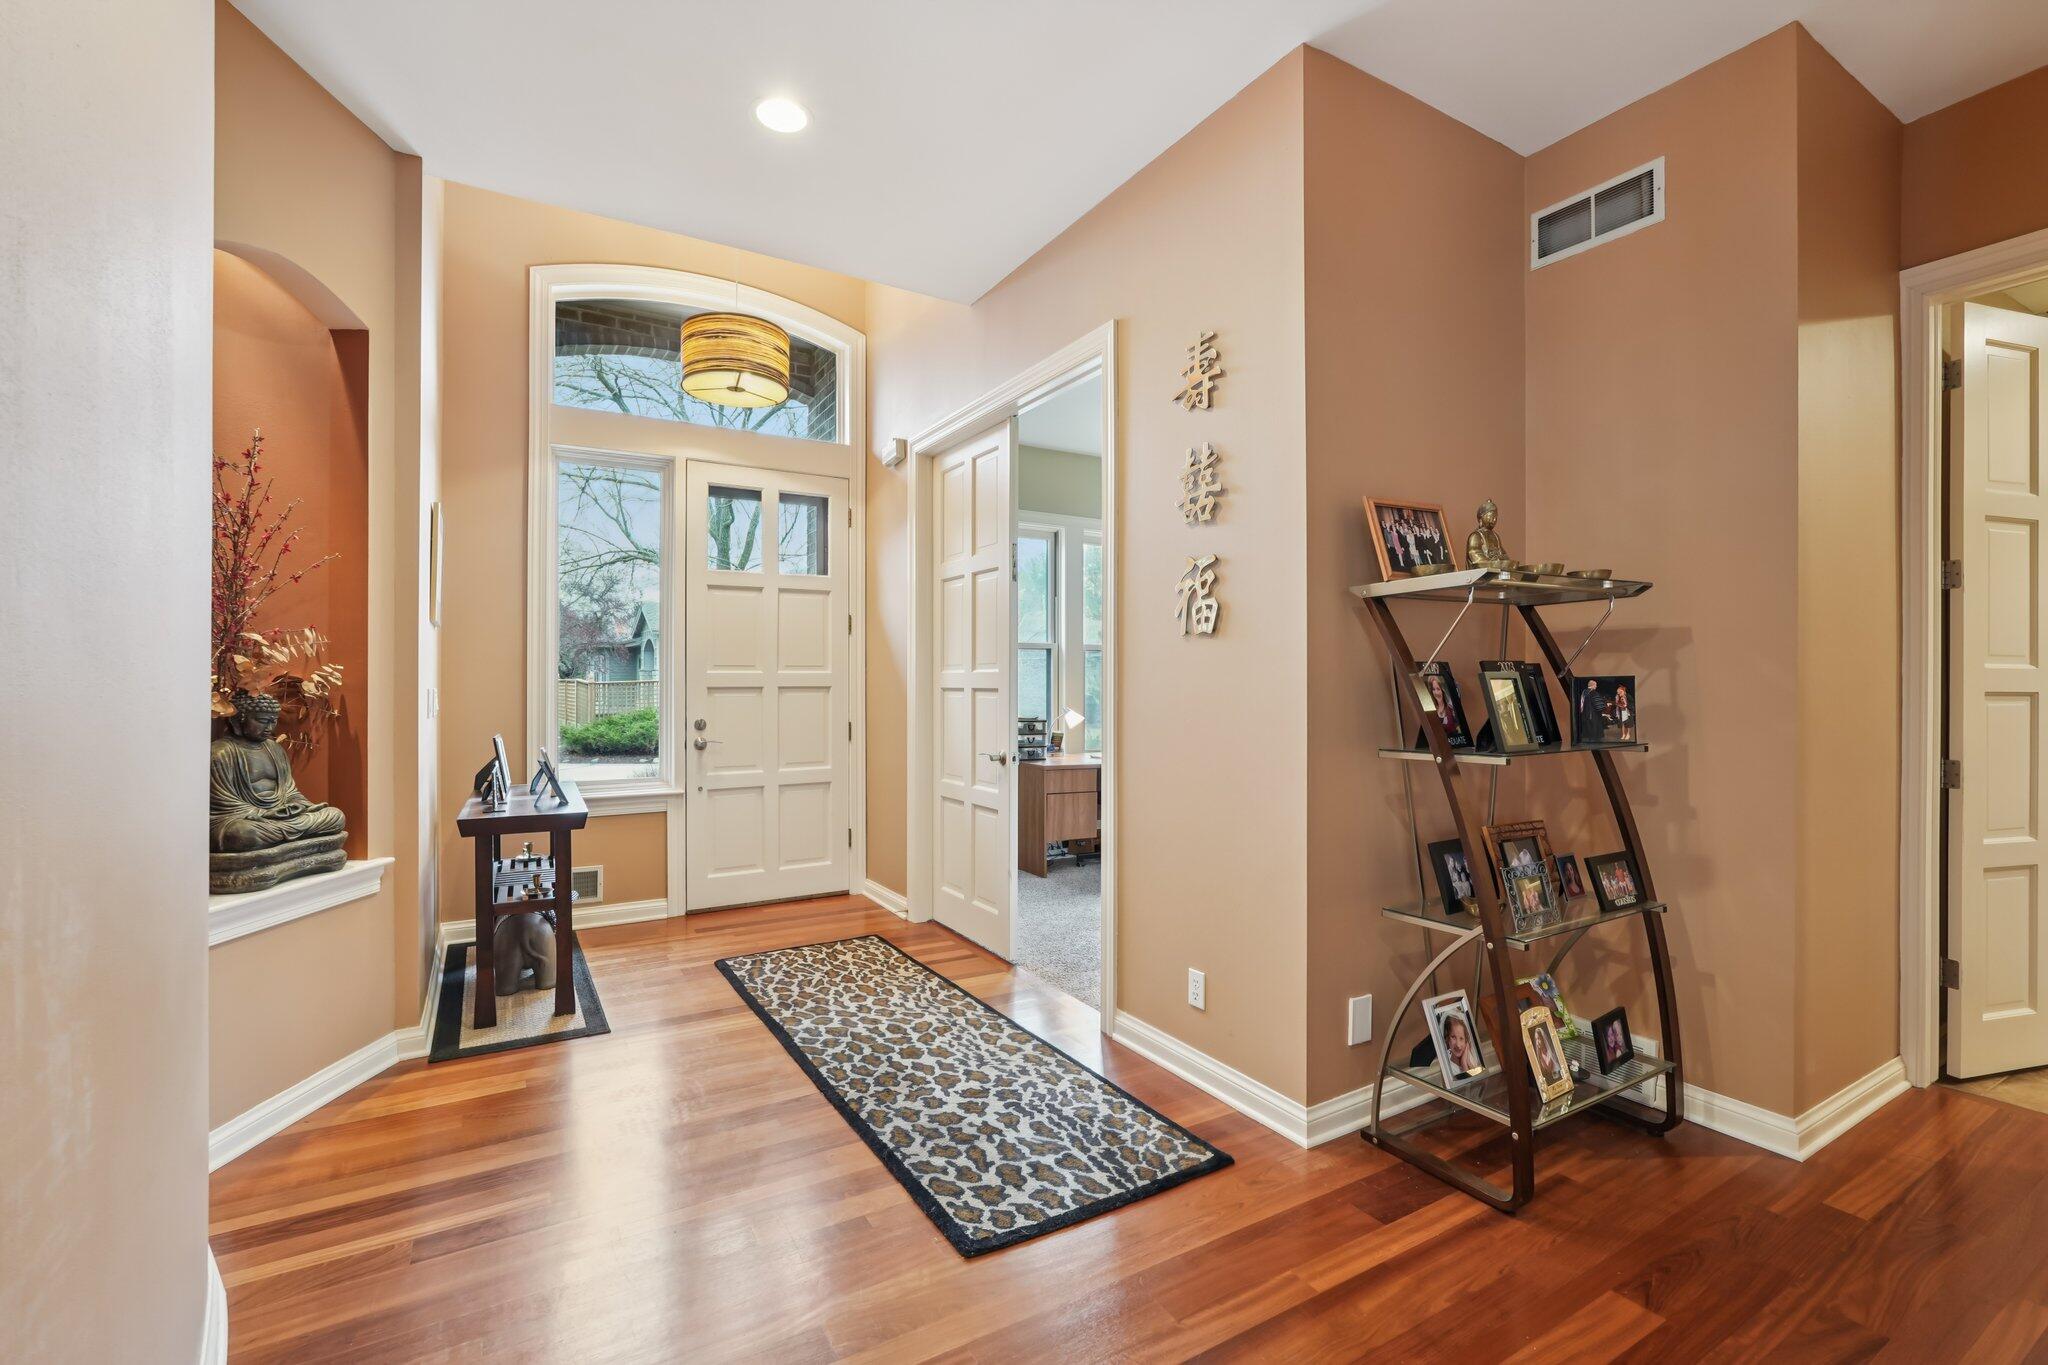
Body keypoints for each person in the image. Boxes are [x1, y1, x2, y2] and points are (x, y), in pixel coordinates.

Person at [1440, 1009, 1483, 1075]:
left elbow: (1482, 1081)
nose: (1458, 1045)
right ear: (1447, 1038)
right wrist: (1464, 1065)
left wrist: (1465, 1062)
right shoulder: (1447, 1069)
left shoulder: (1472, 1058)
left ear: (1466, 1040)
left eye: (1461, 1038)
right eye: (1453, 1037)